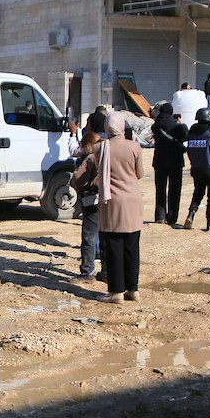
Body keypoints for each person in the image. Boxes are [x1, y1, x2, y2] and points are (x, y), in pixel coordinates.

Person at [71, 112, 143, 303]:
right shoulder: (135, 146)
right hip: (133, 202)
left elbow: (79, 176)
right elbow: (140, 173)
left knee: (114, 247)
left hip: (111, 203)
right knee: (132, 246)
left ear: (107, 128)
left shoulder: (100, 149)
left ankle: (116, 292)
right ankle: (133, 289)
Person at [72, 126, 103, 281]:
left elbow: (78, 179)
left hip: (91, 201)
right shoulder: (106, 155)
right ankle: (106, 271)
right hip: (107, 200)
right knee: (104, 236)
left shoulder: (91, 158)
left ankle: (87, 271)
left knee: (89, 236)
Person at [151, 102, 188, 227]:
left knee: (160, 189)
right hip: (175, 160)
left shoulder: (155, 125)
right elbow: (185, 135)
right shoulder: (176, 126)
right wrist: (181, 123)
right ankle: (172, 217)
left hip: (159, 160)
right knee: (174, 189)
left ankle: (159, 215)